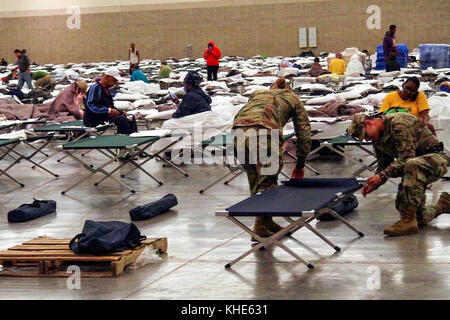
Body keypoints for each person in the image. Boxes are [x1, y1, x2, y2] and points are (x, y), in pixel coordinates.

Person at [347, 112, 449, 236]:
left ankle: (407, 222)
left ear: (369, 122)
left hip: (435, 159)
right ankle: (443, 205)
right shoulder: (378, 137)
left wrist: (382, 176)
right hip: (414, 168)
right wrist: (374, 182)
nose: (368, 139)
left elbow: (406, 157)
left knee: (412, 164)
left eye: (366, 135)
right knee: (419, 218)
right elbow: (384, 163)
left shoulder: (398, 124)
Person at [232, 85, 312, 239]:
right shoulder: (293, 99)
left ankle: (266, 221)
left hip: (238, 130)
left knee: (254, 177)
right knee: (267, 179)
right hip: (263, 130)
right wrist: (300, 164)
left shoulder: (257, 92)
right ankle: (260, 225)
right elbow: (304, 132)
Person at [84, 67, 137, 135]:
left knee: (130, 117)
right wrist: (108, 110)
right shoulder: (95, 88)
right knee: (122, 120)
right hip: (94, 119)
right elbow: (91, 106)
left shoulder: (106, 89)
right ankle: (122, 141)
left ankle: (132, 137)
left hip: (104, 116)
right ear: (109, 78)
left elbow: (110, 106)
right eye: (114, 81)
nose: (115, 83)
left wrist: (121, 113)